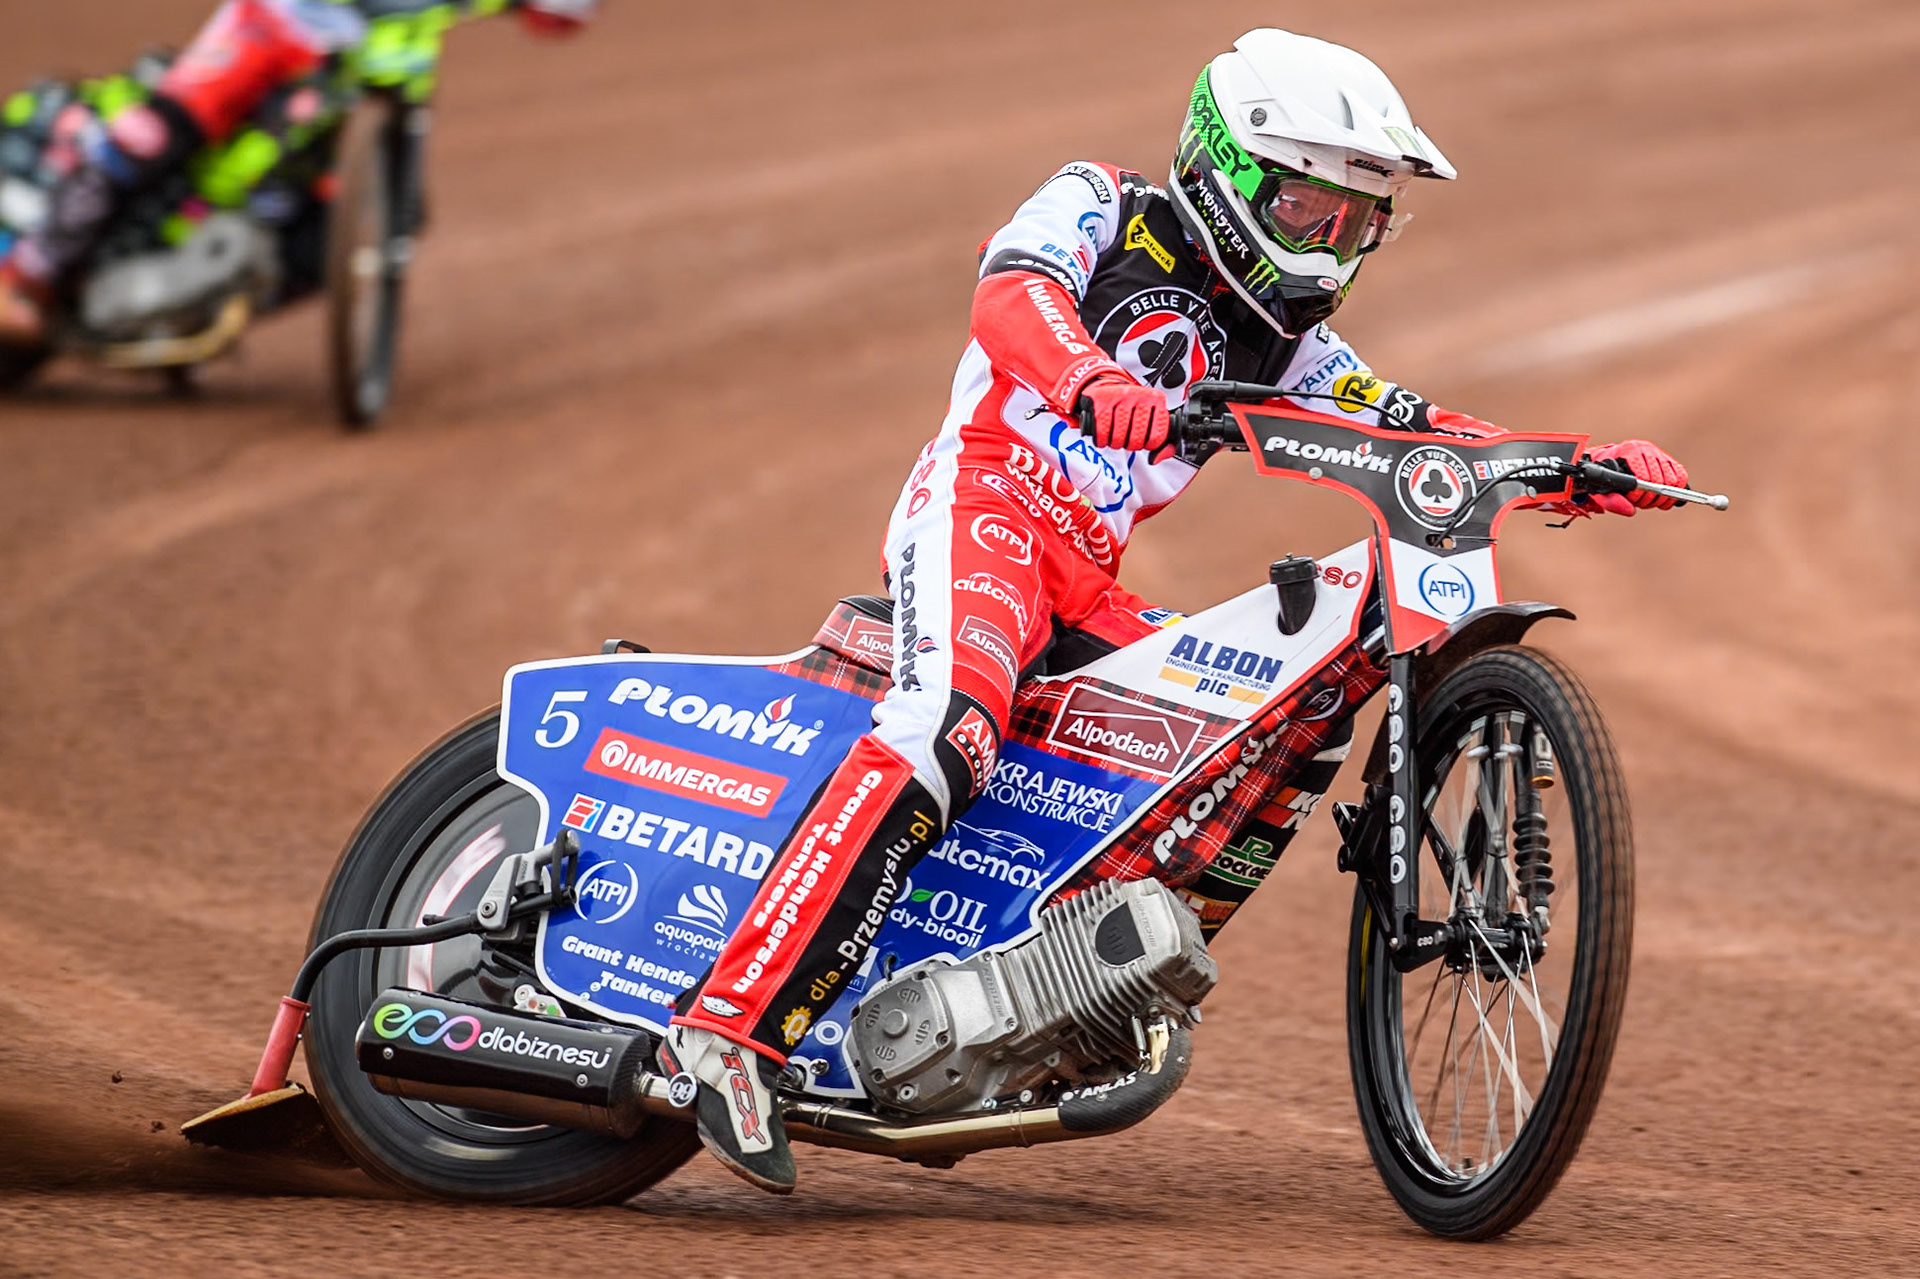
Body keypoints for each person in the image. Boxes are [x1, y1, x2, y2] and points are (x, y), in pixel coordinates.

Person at [655, 28, 1691, 1194]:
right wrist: (1088, 380)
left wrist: (1571, 464)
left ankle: (1051, 1000)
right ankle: (728, 1029)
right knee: (948, 724)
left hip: (1085, 577)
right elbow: (1011, 294)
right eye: (1308, 209)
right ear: (1226, 167)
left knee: (1246, 726)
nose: (1330, 245)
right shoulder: (1102, 203)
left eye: (1357, 223)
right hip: (984, 510)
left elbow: (1410, 426)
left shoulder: (1291, 345)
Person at [0, 0, 597, 344]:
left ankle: (200, 307)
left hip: (376, 63)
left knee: (392, 217)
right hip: (283, 19)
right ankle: (28, 271)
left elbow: (560, 16)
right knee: (162, 130)